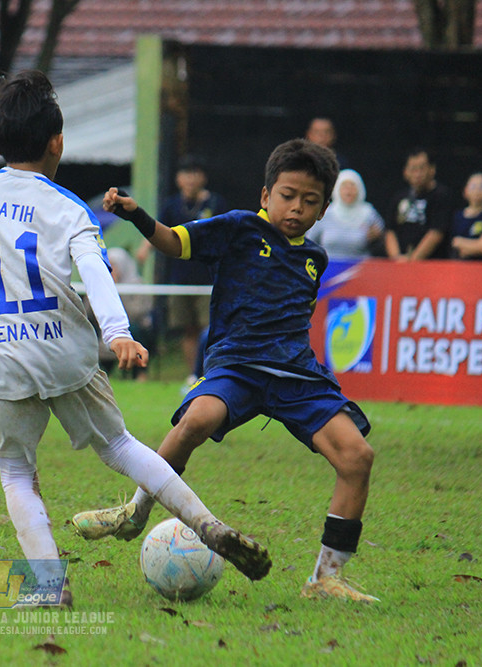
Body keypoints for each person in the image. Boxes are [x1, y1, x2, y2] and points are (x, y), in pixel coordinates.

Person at [0, 70, 272, 607]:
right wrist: (119, 333)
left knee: (15, 472)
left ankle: (49, 587)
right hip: (63, 351)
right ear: (58, 143)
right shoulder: (71, 209)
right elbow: (96, 273)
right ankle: (207, 524)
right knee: (120, 446)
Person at [74, 138, 377, 603]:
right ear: (265, 196)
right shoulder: (238, 227)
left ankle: (325, 578)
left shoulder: (315, 258)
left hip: (296, 374)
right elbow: (174, 242)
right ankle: (134, 514)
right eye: (288, 195)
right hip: (236, 363)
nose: (296, 207)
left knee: (357, 457)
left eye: (310, 201)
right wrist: (137, 216)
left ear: (323, 209)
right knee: (196, 419)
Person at [147, 156, 227, 384]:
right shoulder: (172, 205)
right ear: (178, 179)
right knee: (188, 330)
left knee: (208, 330)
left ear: (203, 177)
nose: (190, 179)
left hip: (209, 279)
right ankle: (193, 375)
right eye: (185, 174)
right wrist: (145, 250)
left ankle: (210, 372)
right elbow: (158, 230)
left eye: (194, 173)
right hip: (179, 279)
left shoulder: (216, 203)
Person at [89, 247, 153, 381]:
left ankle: (140, 375)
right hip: (104, 332)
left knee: (135, 330)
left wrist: (117, 295)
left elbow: (138, 313)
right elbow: (88, 312)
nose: (111, 270)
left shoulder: (137, 284)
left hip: (135, 329)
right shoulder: (100, 286)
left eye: (114, 266)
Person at [385, 148, 453, 261]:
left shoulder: (442, 196)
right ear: (405, 172)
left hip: (431, 265)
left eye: (422, 168)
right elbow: (390, 231)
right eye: (413, 169)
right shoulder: (399, 197)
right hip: (401, 264)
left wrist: (413, 261)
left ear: (432, 169)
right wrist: (396, 259)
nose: (417, 174)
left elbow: (436, 233)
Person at [306, 169, 384, 259]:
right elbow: (309, 242)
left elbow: (383, 241)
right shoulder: (325, 212)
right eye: (344, 186)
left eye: (352, 186)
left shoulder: (369, 213)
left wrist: (376, 238)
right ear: (337, 189)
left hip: (360, 269)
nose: (348, 191)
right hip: (329, 268)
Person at [450, 172, 482, 260]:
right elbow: (452, 243)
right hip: (457, 267)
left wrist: (462, 244)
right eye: (473, 186)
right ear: (465, 191)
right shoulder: (456, 216)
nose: (477, 191)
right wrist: (473, 245)